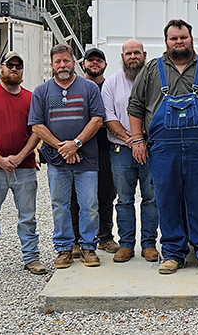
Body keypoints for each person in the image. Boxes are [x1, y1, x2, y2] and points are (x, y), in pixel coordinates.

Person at [128, 19, 198, 275]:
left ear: (191, 38)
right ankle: (173, 253)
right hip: (163, 148)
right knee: (167, 200)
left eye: (183, 37)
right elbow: (135, 107)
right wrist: (138, 139)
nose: (179, 42)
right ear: (166, 42)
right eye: (174, 38)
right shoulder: (152, 69)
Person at [29, 44, 106, 269]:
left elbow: (97, 119)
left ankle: (89, 247)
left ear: (74, 62)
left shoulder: (89, 88)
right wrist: (62, 147)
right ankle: (64, 248)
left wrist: (76, 144)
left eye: (66, 61)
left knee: (89, 205)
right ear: (51, 65)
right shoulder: (42, 92)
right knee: (60, 205)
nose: (62, 65)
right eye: (57, 62)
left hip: (87, 159)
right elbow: (36, 125)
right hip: (56, 159)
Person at [0, 51, 44, 279]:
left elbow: (37, 131)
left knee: (28, 216)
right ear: (0, 68)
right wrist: (0, 160)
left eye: (18, 66)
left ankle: (31, 257)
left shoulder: (32, 98)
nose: (14, 69)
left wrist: (21, 157)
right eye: (9, 65)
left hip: (25, 168)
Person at [103, 39, 159, 264]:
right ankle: (126, 244)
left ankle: (149, 244)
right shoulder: (112, 83)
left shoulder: (155, 81)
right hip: (121, 149)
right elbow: (109, 117)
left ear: (144, 55)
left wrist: (143, 141)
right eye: (128, 53)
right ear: (122, 56)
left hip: (152, 148)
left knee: (151, 198)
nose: (133, 57)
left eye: (137, 53)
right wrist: (133, 140)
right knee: (124, 199)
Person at [67, 48, 119, 258]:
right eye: (91, 60)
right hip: (80, 150)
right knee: (76, 198)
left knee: (106, 195)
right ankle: (77, 240)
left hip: (106, 148)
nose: (94, 63)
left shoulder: (111, 87)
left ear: (105, 65)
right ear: (83, 64)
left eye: (99, 60)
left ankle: (105, 237)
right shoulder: (75, 88)